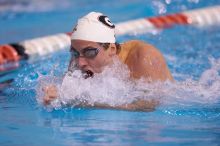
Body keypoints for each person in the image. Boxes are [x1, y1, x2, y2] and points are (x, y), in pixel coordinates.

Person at [42, 12, 173, 111]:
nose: (80, 63)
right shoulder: (78, 59)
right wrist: (54, 93)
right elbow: (66, 87)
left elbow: (148, 107)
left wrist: (85, 103)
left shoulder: (143, 58)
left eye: (90, 53)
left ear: (111, 49)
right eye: (75, 52)